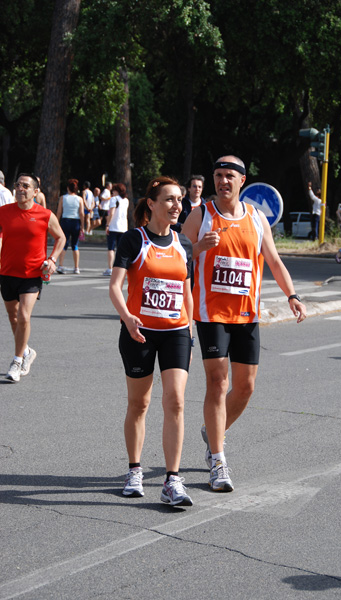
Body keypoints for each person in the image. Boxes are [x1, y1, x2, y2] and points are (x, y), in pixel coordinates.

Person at [182, 155, 306, 493]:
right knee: (217, 383)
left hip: (247, 315)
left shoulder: (256, 218)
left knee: (246, 387)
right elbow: (173, 254)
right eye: (218, 176)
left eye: (229, 176)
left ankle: (214, 431)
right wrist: (196, 249)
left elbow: (275, 261)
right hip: (211, 314)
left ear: (242, 181)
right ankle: (218, 460)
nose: (223, 181)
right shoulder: (201, 215)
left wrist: (292, 295)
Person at [109, 176, 194, 506]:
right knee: (139, 404)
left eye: (180, 200)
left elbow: (185, 289)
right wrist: (128, 317)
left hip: (176, 332)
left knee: (175, 401)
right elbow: (116, 286)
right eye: (170, 199)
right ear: (152, 204)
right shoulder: (134, 240)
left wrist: (189, 327)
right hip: (138, 332)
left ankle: (173, 481)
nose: (177, 205)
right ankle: (134, 469)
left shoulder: (183, 244)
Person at [0, 173, 65, 382]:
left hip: (32, 274)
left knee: (24, 317)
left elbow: (60, 237)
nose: (20, 189)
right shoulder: (3, 212)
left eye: (25, 186)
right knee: (13, 317)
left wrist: (53, 259)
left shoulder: (44, 215)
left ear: (35, 192)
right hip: (7, 271)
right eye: (18, 185)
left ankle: (17, 361)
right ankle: (27, 351)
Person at [56, 179, 85, 274]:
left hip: (65, 221)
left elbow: (59, 212)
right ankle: (76, 267)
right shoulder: (79, 199)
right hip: (76, 222)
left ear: (68, 188)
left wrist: (56, 222)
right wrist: (82, 225)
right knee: (75, 245)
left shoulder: (63, 198)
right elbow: (81, 213)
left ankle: (60, 265)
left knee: (63, 244)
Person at [103, 183, 129, 276]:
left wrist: (107, 225)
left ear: (116, 191)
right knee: (120, 249)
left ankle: (110, 268)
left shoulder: (113, 199)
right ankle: (120, 268)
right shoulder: (126, 200)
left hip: (114, 226)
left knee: (111, 248)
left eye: (113, 190)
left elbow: (112, 213)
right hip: (123, 227)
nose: (112, 192)